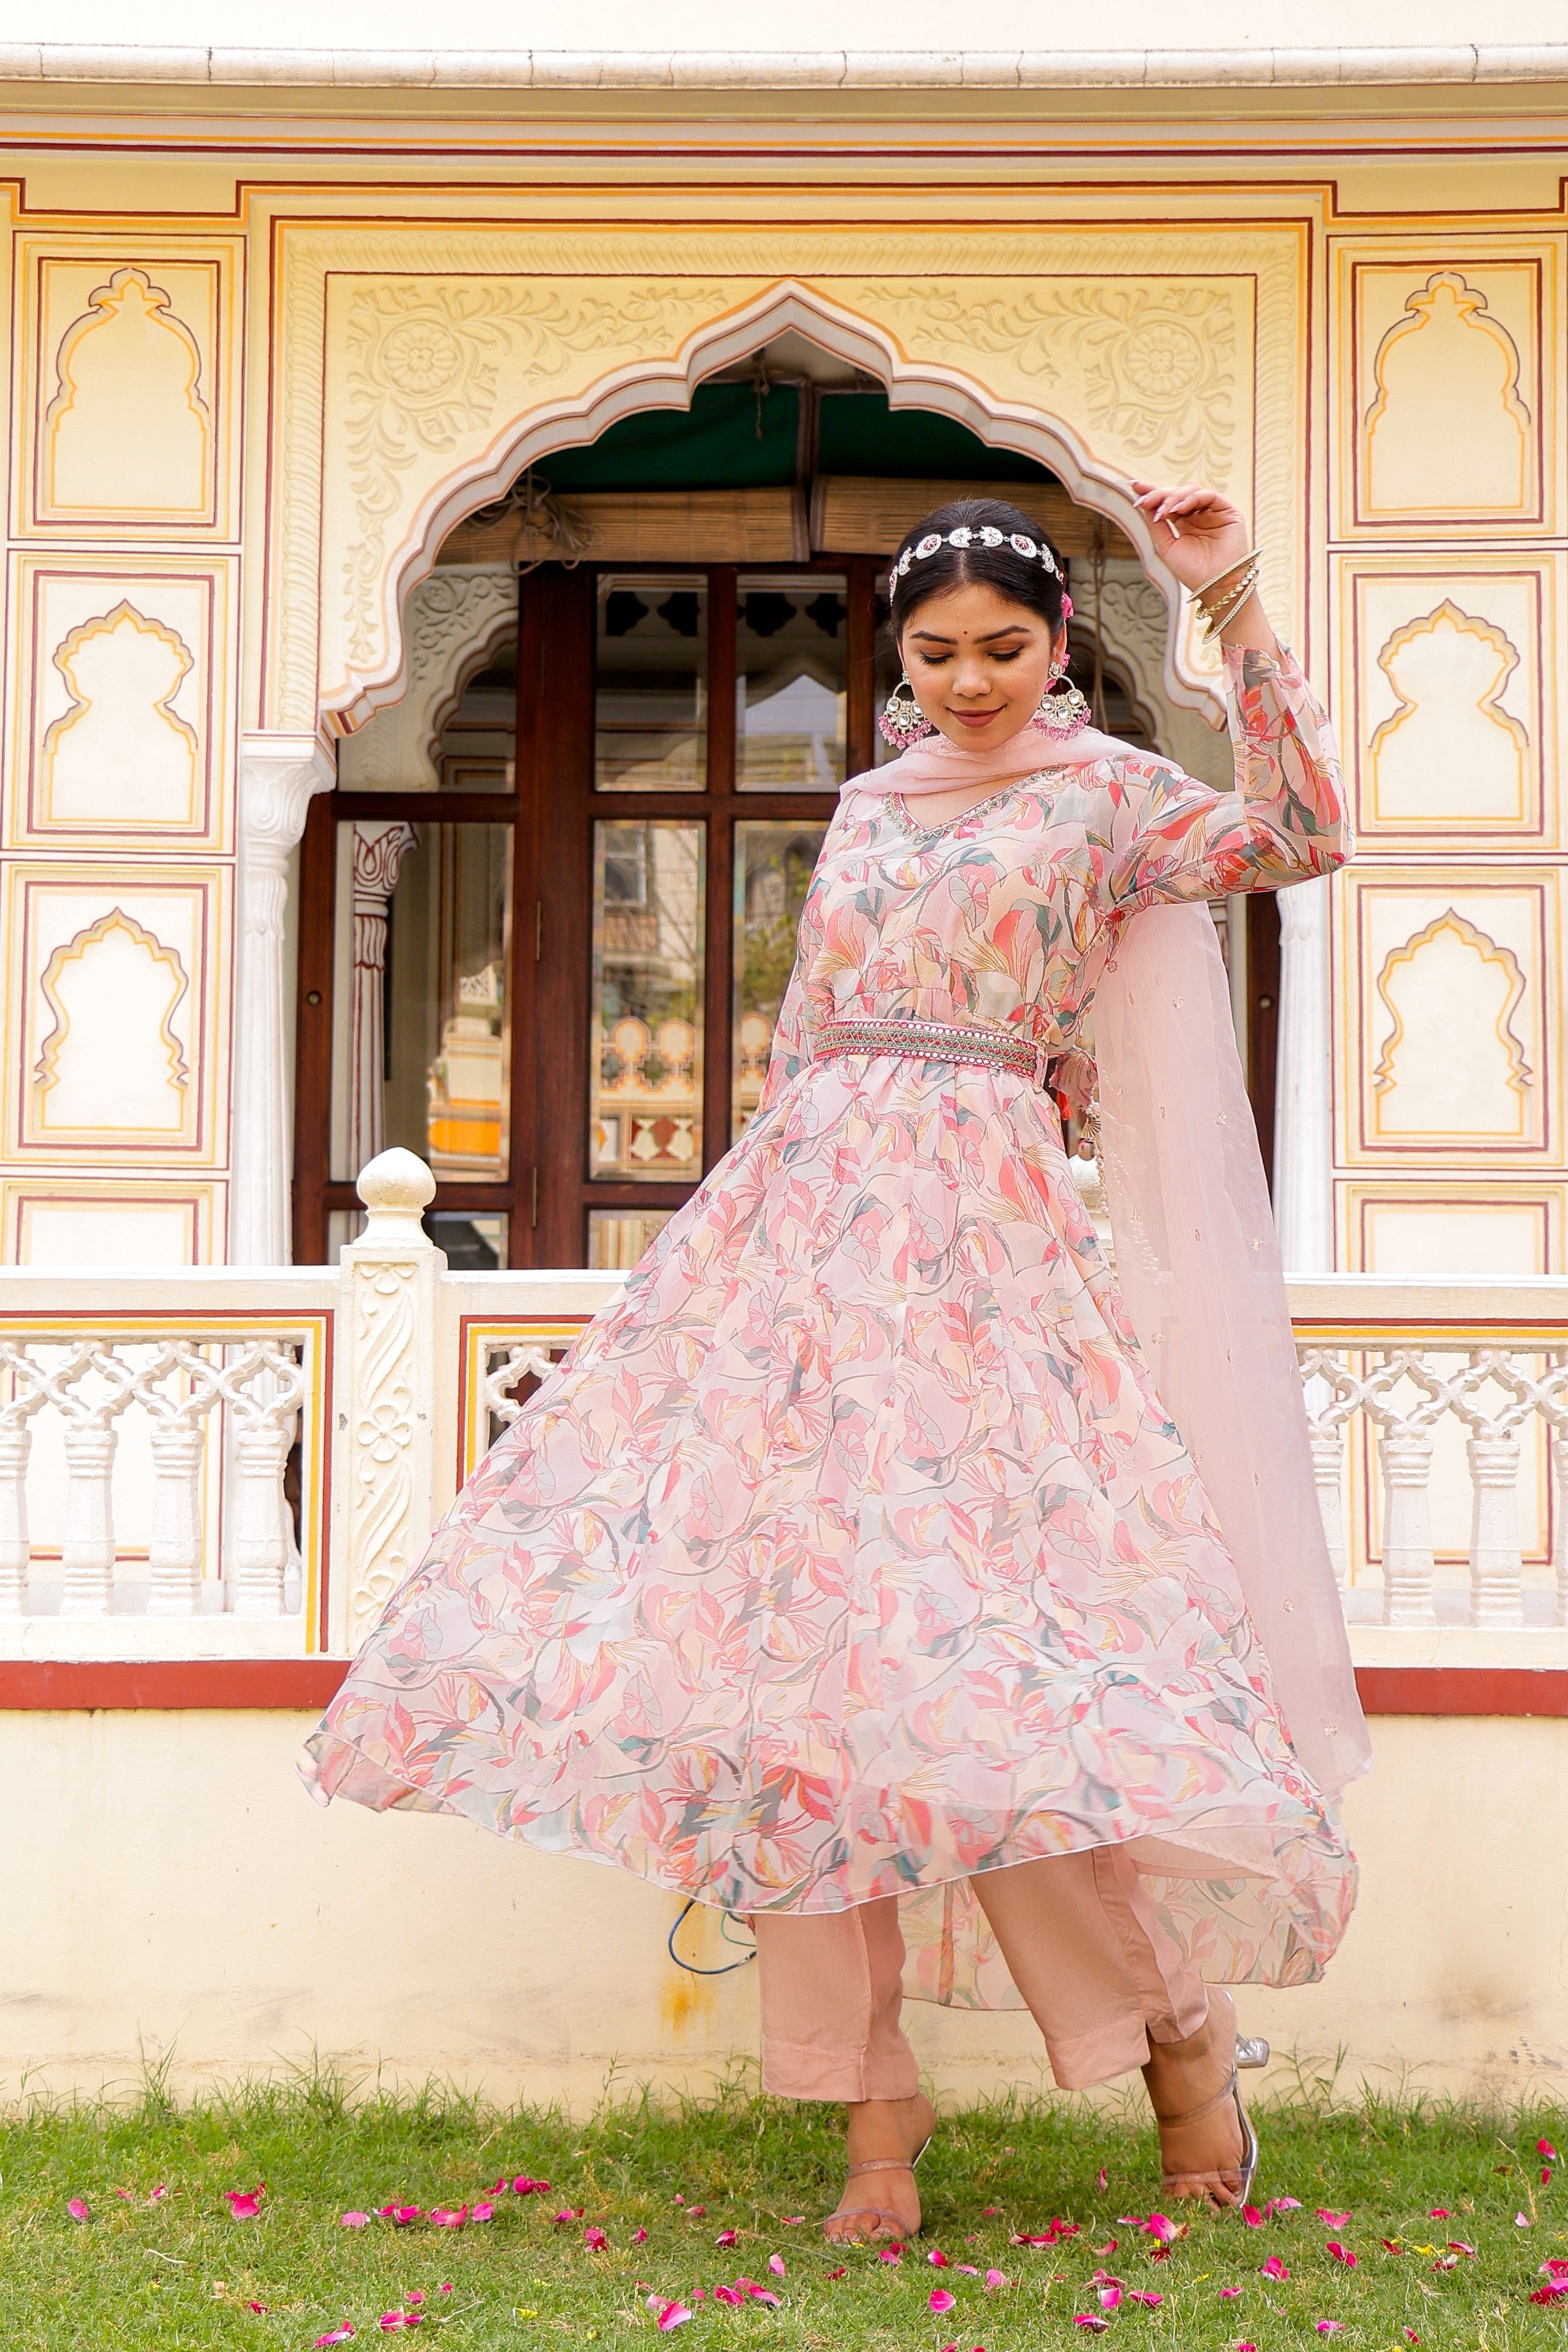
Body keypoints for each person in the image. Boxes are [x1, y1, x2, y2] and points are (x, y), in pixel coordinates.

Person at [300, 479, 1368, 2240]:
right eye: (936, 651)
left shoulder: (1105, 795)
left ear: (1056, 647)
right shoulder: (869, 802)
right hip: (802, 1241)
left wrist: (1235, 603)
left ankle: (1180, 2045)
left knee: (1007, 1669)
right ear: (897, 652)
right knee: (791, 1678)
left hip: (984, 1250)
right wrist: (739, 1247)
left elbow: (1302, 834)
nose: (967, 682)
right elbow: (809, 1030)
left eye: (1003, 651)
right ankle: (873, 2121)